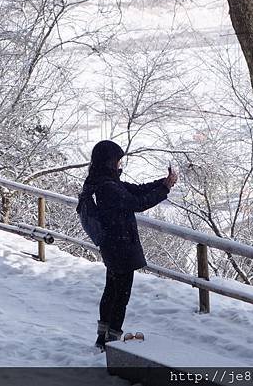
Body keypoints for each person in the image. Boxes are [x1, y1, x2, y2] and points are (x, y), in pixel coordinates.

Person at [80, 140, 178, 350]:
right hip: (120, 245)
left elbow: (136, 190)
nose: (120, 164)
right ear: (109, 161)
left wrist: (163, 183)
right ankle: (111, 342)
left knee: (111, 291)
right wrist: (165, 189)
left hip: (110, 244)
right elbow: (137, 203)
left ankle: (103, 338)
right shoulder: (108, 186)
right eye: (117, 160)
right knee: (120, 295)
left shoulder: (100, 181)